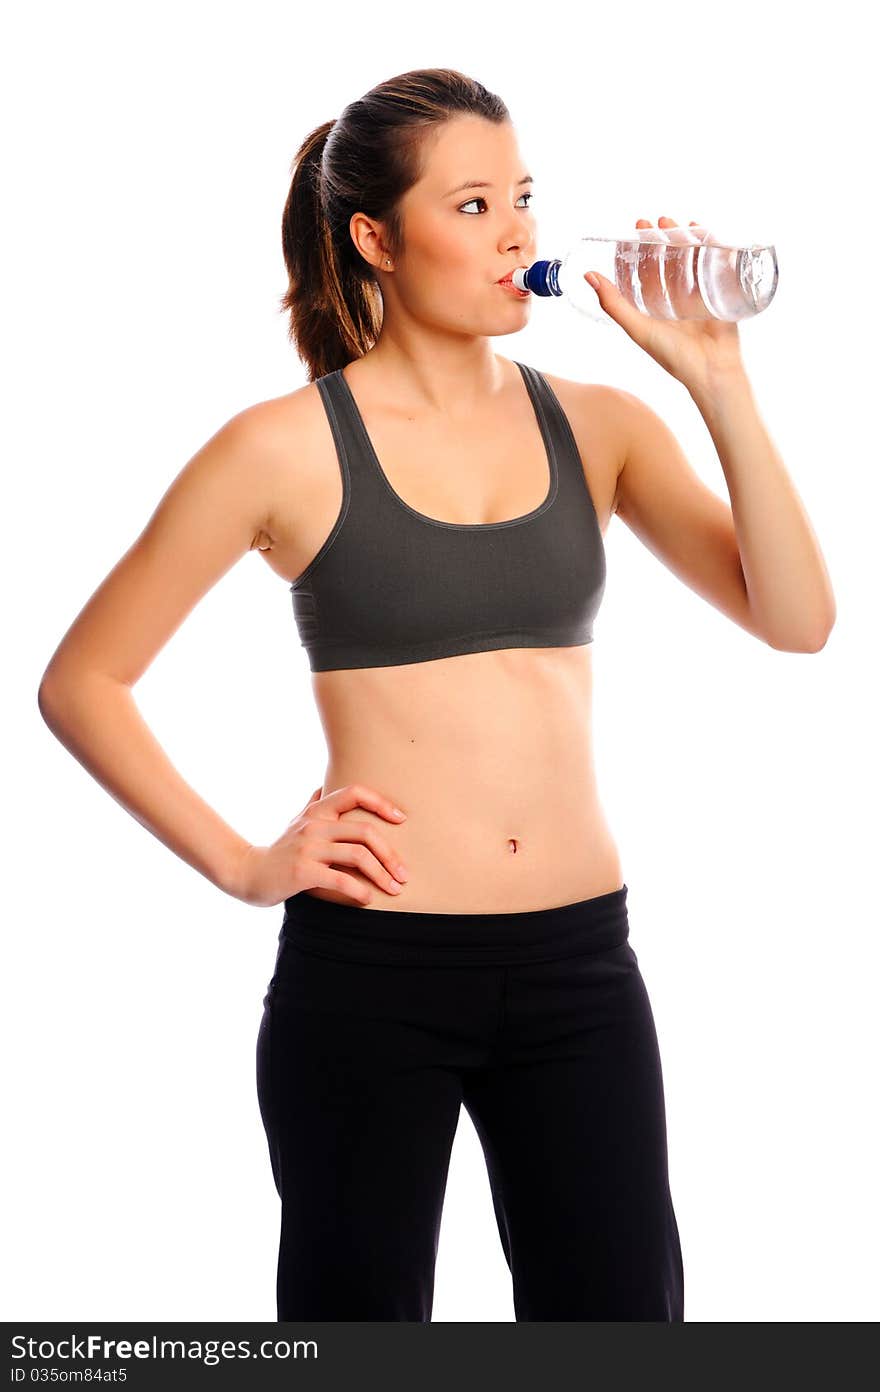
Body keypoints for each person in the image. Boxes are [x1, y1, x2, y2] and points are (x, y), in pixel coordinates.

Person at [37, 67, 835, 1323]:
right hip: (372, 977)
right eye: (472, 205)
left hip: (581, 971)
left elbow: (798, 624)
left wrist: (719, 383)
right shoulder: (280, 448)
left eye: (522, 196)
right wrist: (247, 865)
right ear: (375, 238)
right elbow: (84, 681)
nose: (517, 232)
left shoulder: (603, 424)